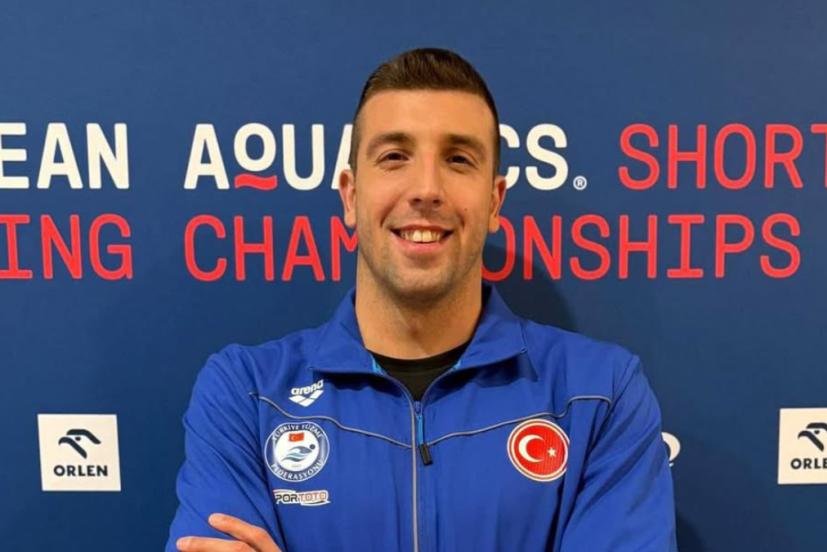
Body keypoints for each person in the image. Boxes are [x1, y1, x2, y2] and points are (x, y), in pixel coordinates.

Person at [166, 47, 677, 552]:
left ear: (494, 200)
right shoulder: (248, 394)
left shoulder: (597, 395)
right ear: (351, 195)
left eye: (458, 159)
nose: (426, 189)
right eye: (394, 157)